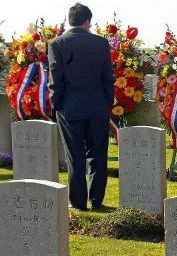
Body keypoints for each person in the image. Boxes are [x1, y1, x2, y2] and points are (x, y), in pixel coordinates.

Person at [48, 3, 114, 210]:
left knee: (74, 155)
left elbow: (55, 80)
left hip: (70, 107)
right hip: (97, 107)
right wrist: (107, 104)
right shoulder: (101, 44)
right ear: (87, 21)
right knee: (98, 154)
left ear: (70, 21)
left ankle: (77, 202)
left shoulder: (57, 44)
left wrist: (55, 105)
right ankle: (97, 200)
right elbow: (107, 78)